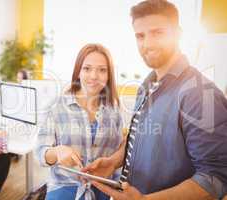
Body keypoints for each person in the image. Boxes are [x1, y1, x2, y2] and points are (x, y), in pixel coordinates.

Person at [82, 0, 227, 199]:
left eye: (157, 33)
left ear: (178, 34)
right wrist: (114, 161)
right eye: (140, 36)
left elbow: (214, 179)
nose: (147, 43)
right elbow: (137, 137)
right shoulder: (146, 86)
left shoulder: (200, 93)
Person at [35, 43, 124, 200]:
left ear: (109, 75)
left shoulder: (114, 111)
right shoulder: (56, 106)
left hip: (101, 192)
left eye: (102, 70)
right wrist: (57, 152)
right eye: (87, 68)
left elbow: (117, 156)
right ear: (78, 72)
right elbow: (40, 153)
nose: (94, 76)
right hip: (63, 190)